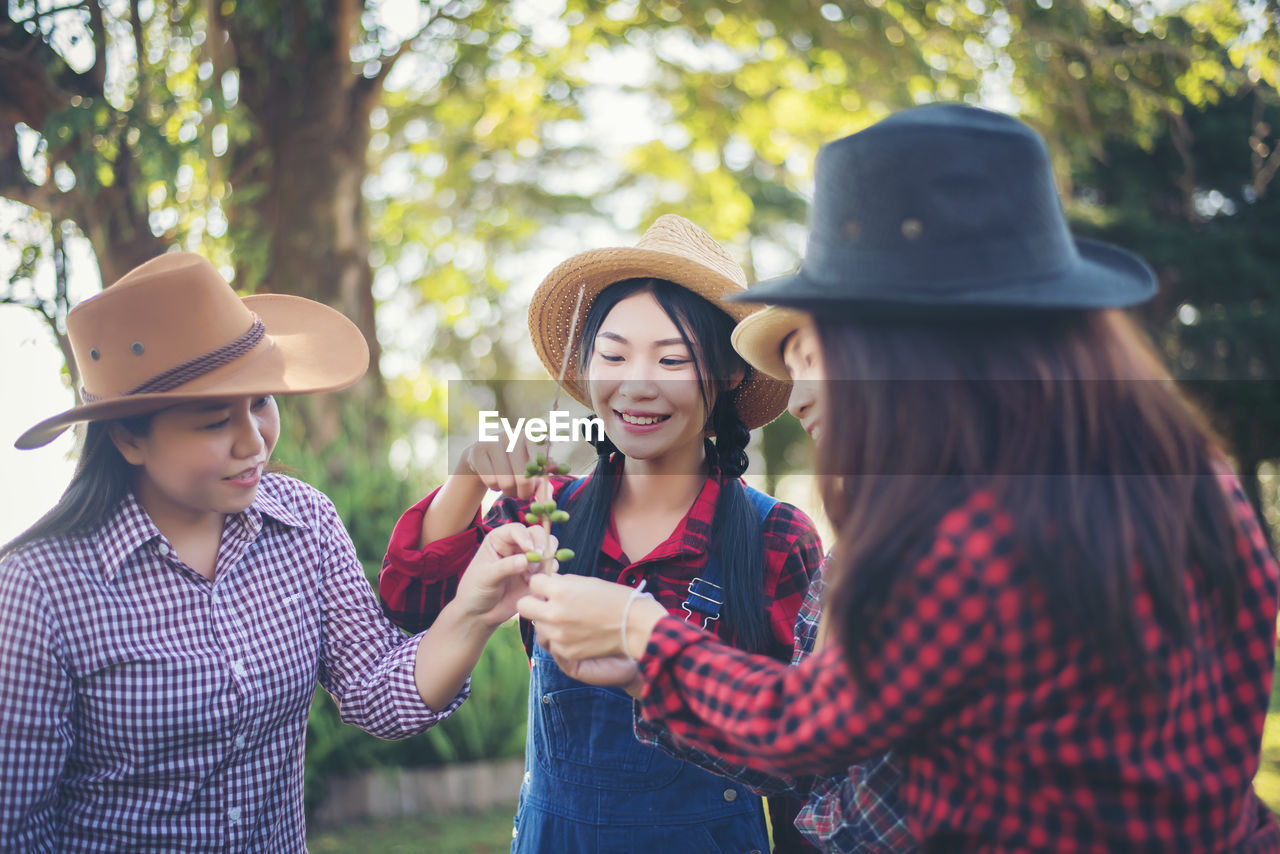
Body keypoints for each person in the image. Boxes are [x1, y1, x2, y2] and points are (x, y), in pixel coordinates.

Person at [515, 105, 1280, 851]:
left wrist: (644, 636)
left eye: (816, 354)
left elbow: (821, 744)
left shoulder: (965, 532)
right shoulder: (1188, 478)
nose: (801, 395)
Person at [0, 253, 546, 851]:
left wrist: (473, 609)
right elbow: (19, 824)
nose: (254, 441)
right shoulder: (39, 587)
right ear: (129, 437)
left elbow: (375, 692)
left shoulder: (304, 521)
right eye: (214, 421)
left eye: (261, 402)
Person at [378, 215, 824, 852]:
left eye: (673, 359)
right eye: (613, 355)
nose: (637, 384)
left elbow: (805, 773)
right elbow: (410, 610)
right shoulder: (545, 510)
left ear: (728, 375)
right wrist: (466, 482)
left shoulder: (777, 537)